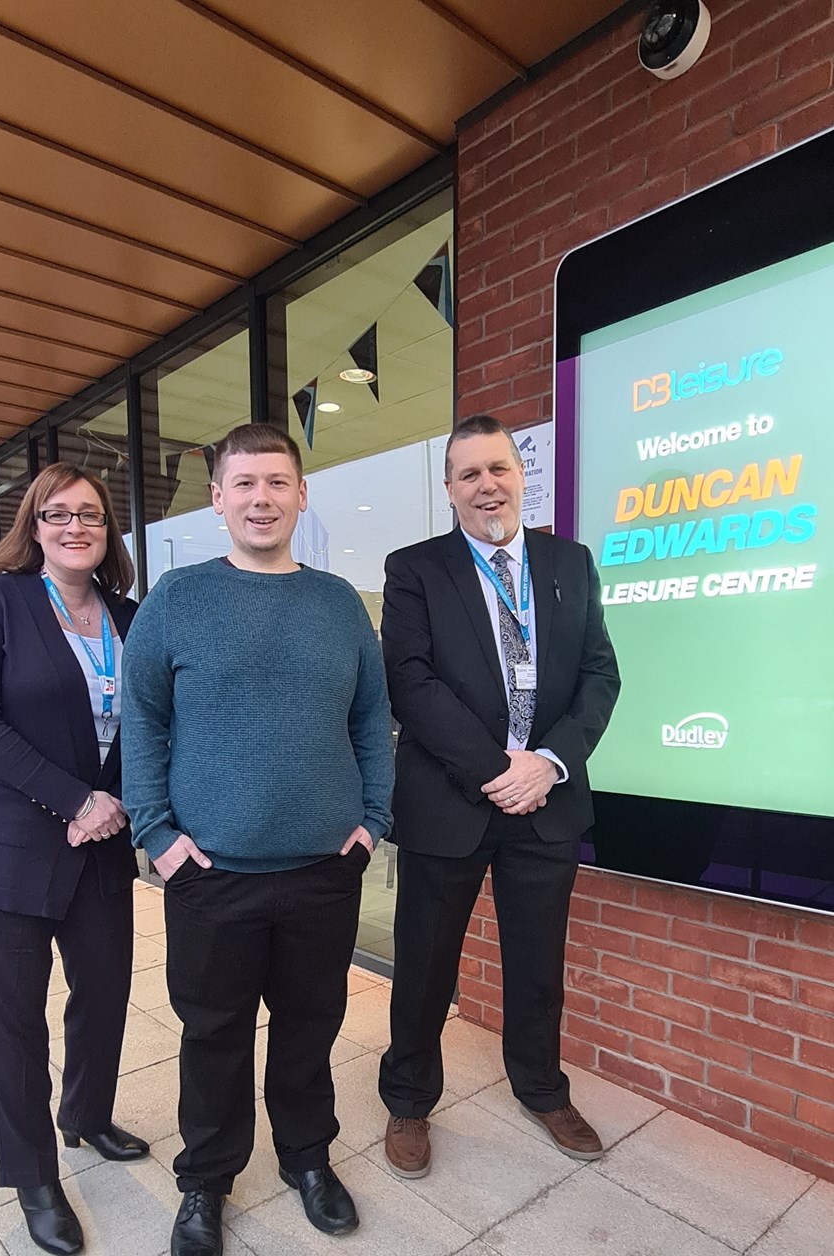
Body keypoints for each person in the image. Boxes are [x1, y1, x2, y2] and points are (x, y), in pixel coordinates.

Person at [122, 423, 394, 1256]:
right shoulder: (177, 599)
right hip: (210, 873)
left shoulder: (339, 603)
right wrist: (156, 833)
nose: (261, 498)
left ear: (301, 494)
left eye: (277, 482)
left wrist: (373, 820)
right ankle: (206, 1179)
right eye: (244, 484)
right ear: (217, 499)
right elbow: (141, 719)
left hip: (323, 867)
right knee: (215, 1034)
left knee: (311, 1024)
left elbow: (373, 721)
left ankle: (307, 1158)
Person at [378, 415, 620, 1179]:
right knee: (424, 965)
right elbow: (410, 682)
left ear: (522, 476)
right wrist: (496, 769)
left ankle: (543, 1090)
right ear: (449, 490)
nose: (487, 486)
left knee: (538, 962)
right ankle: (409, 1101)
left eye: (498, 469)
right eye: (469, 474)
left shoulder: (570, 562)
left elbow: (599, 676)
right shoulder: (415, 568)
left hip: (546, 804)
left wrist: (546, 763)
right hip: (450, 802)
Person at [0, 463, 149, 1256]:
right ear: (32, 526)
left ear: (107, 530)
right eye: (57, 514)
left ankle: (86, 1117)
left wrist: (120, 799)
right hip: (7, 848)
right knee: (14, 1020)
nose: (74, 527)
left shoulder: (129, 617)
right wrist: (76, 800)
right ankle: (31, 1173)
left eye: (90, 515)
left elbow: (149, 722)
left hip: (101, 845)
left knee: (104, 994)